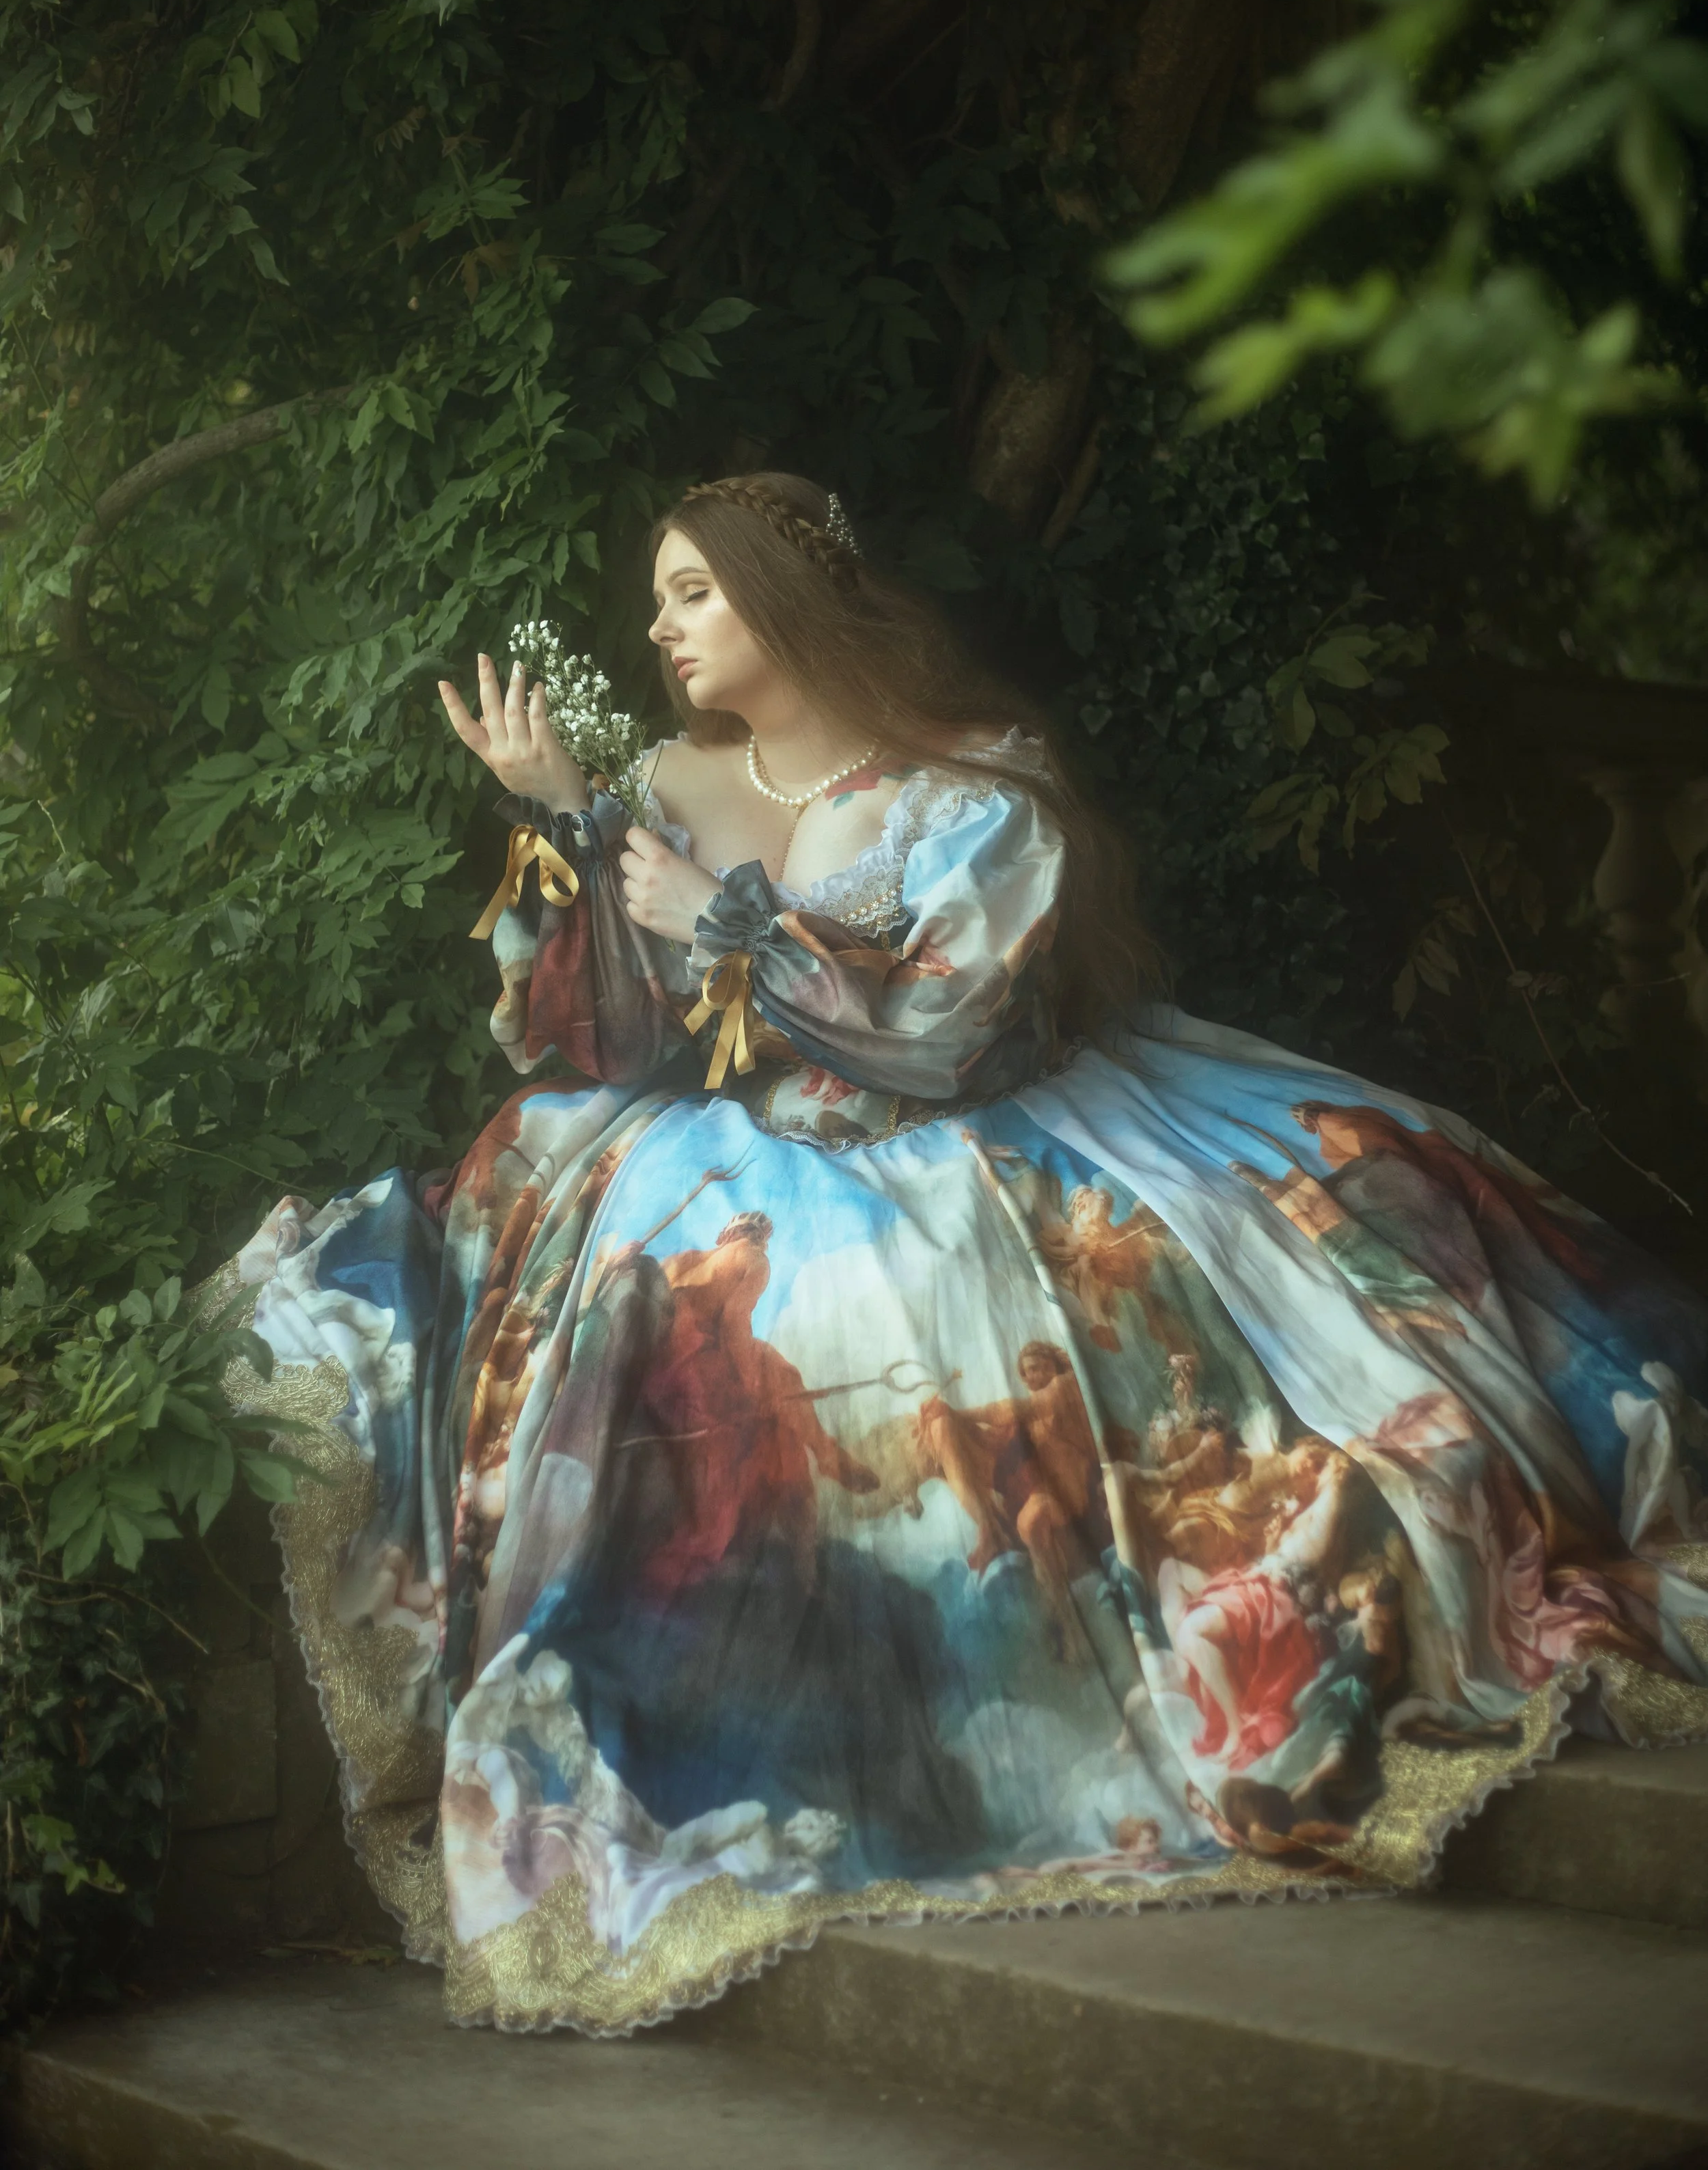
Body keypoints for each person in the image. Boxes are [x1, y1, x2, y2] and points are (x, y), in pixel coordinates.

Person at [216, 469, 1708, 2037]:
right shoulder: (656, 781)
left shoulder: (969, 789)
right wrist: (567, 819)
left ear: (787, 596)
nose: (660, 628)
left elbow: (943, 1036)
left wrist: (722, 919)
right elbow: (610, 1046)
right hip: (726, 1146)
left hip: (971, 1127)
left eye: (692, 592)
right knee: (638, 1283)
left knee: (1138, 1279)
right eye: (656, 600)